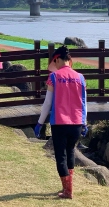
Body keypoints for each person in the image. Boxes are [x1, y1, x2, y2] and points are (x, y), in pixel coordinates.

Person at [34, 46, 87, 199]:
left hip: (60, 122)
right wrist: (85, 122)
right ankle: (68, 188)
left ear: (57, 59)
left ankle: (67, 191)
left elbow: (47, 103)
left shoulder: (54, 77)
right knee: (70, 152)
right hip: (77, 123)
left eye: (54, 62)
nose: (54, 65)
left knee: (60, 156)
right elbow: (84, 103)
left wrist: (39, 123)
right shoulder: (80, 77)